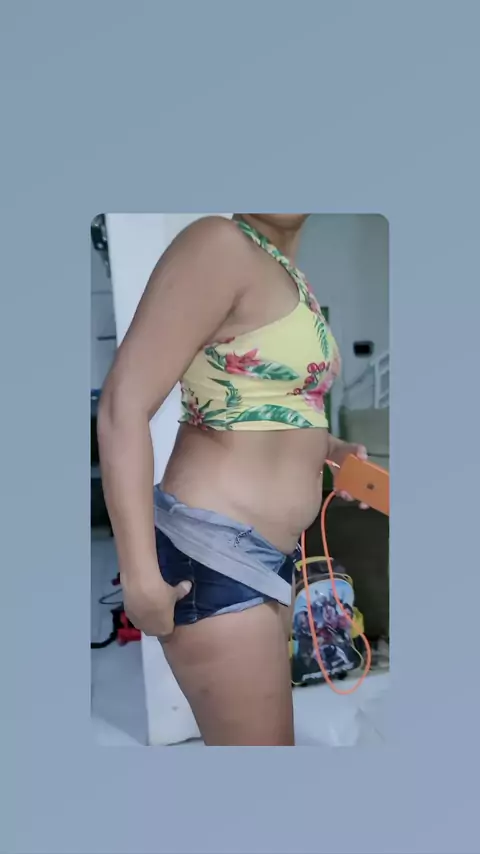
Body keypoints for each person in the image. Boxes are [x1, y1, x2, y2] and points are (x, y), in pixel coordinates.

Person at [98, 214, 367, 746]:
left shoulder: (285, 271)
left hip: (269, 554)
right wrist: (138, 576)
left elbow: (266, 404)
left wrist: (331, 449)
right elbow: (121, 405)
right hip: (215, 551)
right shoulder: (219, 244)